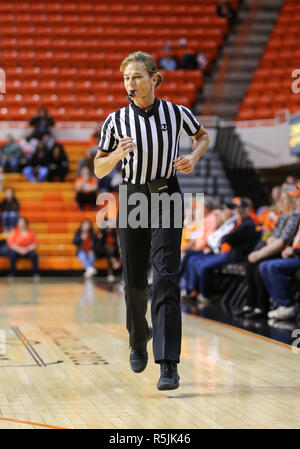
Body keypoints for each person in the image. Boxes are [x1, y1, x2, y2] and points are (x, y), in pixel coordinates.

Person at [94, 51, 210, 390]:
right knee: (133, 281)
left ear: (154, 79)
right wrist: (116, 154)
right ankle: (137, 337)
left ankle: (168, 363)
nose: (131, 83)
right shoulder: (115, 121)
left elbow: (202, 136)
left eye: (137, 76)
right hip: (132, 197)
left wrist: (193, 155)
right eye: (127, 78)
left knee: (166, 277)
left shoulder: (177, 113)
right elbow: (98, 168)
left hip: (167, 194)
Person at [235, 188, 300, 319]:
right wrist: (263, 249)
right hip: (283, 250)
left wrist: (260, 253)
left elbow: (283, 241)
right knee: (252, 265)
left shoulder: (295, 215)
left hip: (286, 252)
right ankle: (251, 304)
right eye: (279, 200)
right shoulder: (282, 216)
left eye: (284, 200)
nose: (280, 203)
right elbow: (270, 237)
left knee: (263, 264)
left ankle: (269, 306)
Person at [259, 185, 300, 321]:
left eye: (297, 198)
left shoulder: (295, 215)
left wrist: (293, 250)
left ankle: (288, 304)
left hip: (296, 256)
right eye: (294, 198)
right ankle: (279, 303)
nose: (295, 201)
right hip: (294, 255)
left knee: (272, 266)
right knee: (264, 265)